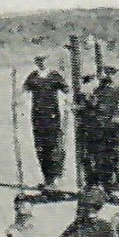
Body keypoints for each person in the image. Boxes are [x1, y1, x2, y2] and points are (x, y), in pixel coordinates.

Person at [23, 56, 69, 188]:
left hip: (52, 117)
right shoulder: (33, 76)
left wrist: (67, 102)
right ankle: (47, 179)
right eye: (38, 61)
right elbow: (24, 90)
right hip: (37, 117)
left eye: (43, 60)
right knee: (40, 148)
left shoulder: (54, 76)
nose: (41, 63)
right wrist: (19, 102)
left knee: (53, 147)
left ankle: (55, 178)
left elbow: (67, 90)